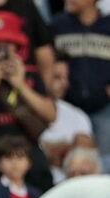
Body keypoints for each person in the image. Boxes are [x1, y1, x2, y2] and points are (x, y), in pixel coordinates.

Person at [0, 11, 56, 198]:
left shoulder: (31, 75)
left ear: (17, 46)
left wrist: (19, 84)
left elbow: (51, 115)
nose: (1, 49)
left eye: (7, 43)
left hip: (32, 162)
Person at [49, 0, 110, 169]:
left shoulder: (108, 26)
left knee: (105, 162)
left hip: (104, 108)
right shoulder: (58, 25)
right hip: (67, 108)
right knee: (69, 165)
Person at [39, 53, 98, 184]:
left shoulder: (78, 115)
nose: (64, 84)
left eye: (66, 78)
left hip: (72, 184)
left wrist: (51, 149)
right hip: (38, 183)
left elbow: (87, 150)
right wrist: (69, 146)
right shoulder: (28, 109)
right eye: (57, 77)